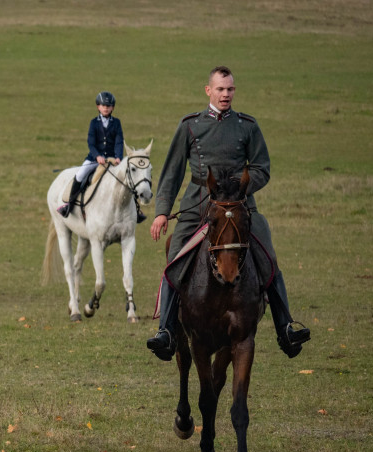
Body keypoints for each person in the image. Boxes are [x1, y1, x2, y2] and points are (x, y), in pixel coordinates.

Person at [147, 66, 311, 360]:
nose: (226, 94)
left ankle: (286, 328)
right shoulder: (190, 126)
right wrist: (161, 212)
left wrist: (241, 188)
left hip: (239, 205)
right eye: (220, 89)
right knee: (175, 260)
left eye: (230, 89)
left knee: (267, 256)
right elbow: (171, 174)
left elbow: (262, 168)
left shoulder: (247, 126)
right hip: (198, 203)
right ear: (208, 90)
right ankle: (166, 332)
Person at [57, 91, 145, 222]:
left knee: (128, 177)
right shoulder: (94, 123)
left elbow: (119, 141)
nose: (106, 108)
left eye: (109, 106)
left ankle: (136, 210)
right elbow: (91, 143)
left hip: (112, 160)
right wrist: (97, 156)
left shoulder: (116, 123)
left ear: (112, 108)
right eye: (103, 105)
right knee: (80, 175)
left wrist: (118, 157)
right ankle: (69, 204)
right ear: (98, 107)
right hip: (94, 160)